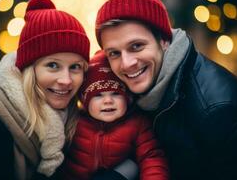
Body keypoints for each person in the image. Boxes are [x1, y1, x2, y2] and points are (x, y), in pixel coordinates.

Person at [95, 0, 237, 180]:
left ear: (164, 40)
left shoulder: (216, 109)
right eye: (114, 53)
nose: (127, 63)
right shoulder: (119, 89)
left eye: (137, 46)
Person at [0, 0, 90, 180]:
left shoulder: (71, 121)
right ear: (29, 69)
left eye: (75, 67)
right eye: (53, 65)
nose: (66, 80)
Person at [57, 51, 169, 180]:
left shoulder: (137, 124)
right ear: (85, 101)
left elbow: (151, 157)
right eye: (98, 95)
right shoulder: (75, 121)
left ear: (128, 97)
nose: (108, 101)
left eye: (116, 93)